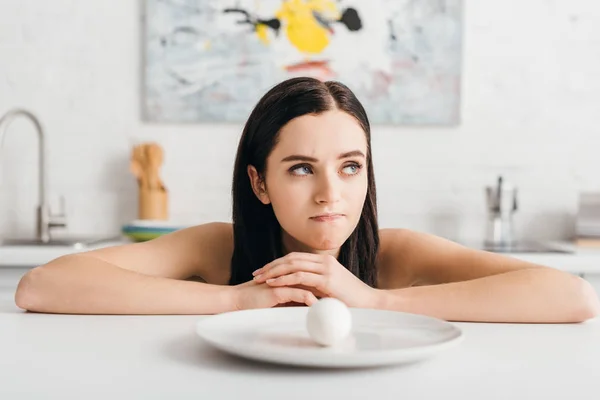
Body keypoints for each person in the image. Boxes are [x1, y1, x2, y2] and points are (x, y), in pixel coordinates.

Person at [14, 77, 600, 323]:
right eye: (301, 169)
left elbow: (572, 296)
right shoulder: (221, 247)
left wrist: (373, 301)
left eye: (350, 167)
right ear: (259, 183)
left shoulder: (394, 256)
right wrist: (240, 300)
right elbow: (41, 286)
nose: (331, 194)